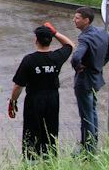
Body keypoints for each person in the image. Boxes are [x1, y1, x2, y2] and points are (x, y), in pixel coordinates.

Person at [8, 23, 75, 160]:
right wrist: (54, 33)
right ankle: (50, 158)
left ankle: (31, 160)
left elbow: (18, 86)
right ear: (50, 40)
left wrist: (13, 101)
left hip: (34, 99)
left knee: (31, 130)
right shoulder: (57, 57)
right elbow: (70, 45)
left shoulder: (29, 60)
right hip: (52, 98)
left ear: (36, 40)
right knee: (51, 128)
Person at [71, 7, 109, 155]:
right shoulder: (102, 33)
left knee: (86, 116)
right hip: (96, 78)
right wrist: (101, 63)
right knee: (92, 112)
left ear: (86, 20)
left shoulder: (84, 38)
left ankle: (88, 150)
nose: (74, 20)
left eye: (77, 18)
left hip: (85, 81)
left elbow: (76, 57)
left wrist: (77, 67)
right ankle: (92, 143)